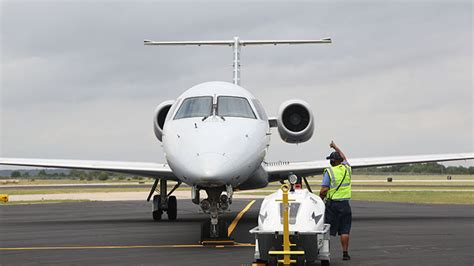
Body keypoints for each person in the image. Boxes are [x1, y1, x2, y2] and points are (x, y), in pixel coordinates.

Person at [319, 140, 352, 261]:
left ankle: (323, 252)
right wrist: (336, 147)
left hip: (332, 205)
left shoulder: (330, 171)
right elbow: (344, 157)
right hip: (345, 205)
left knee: (325, 229)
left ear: (333, 161)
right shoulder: (347, 169)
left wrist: (319, 200)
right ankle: (345, 253)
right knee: (345, 230)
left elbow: (324, 190)